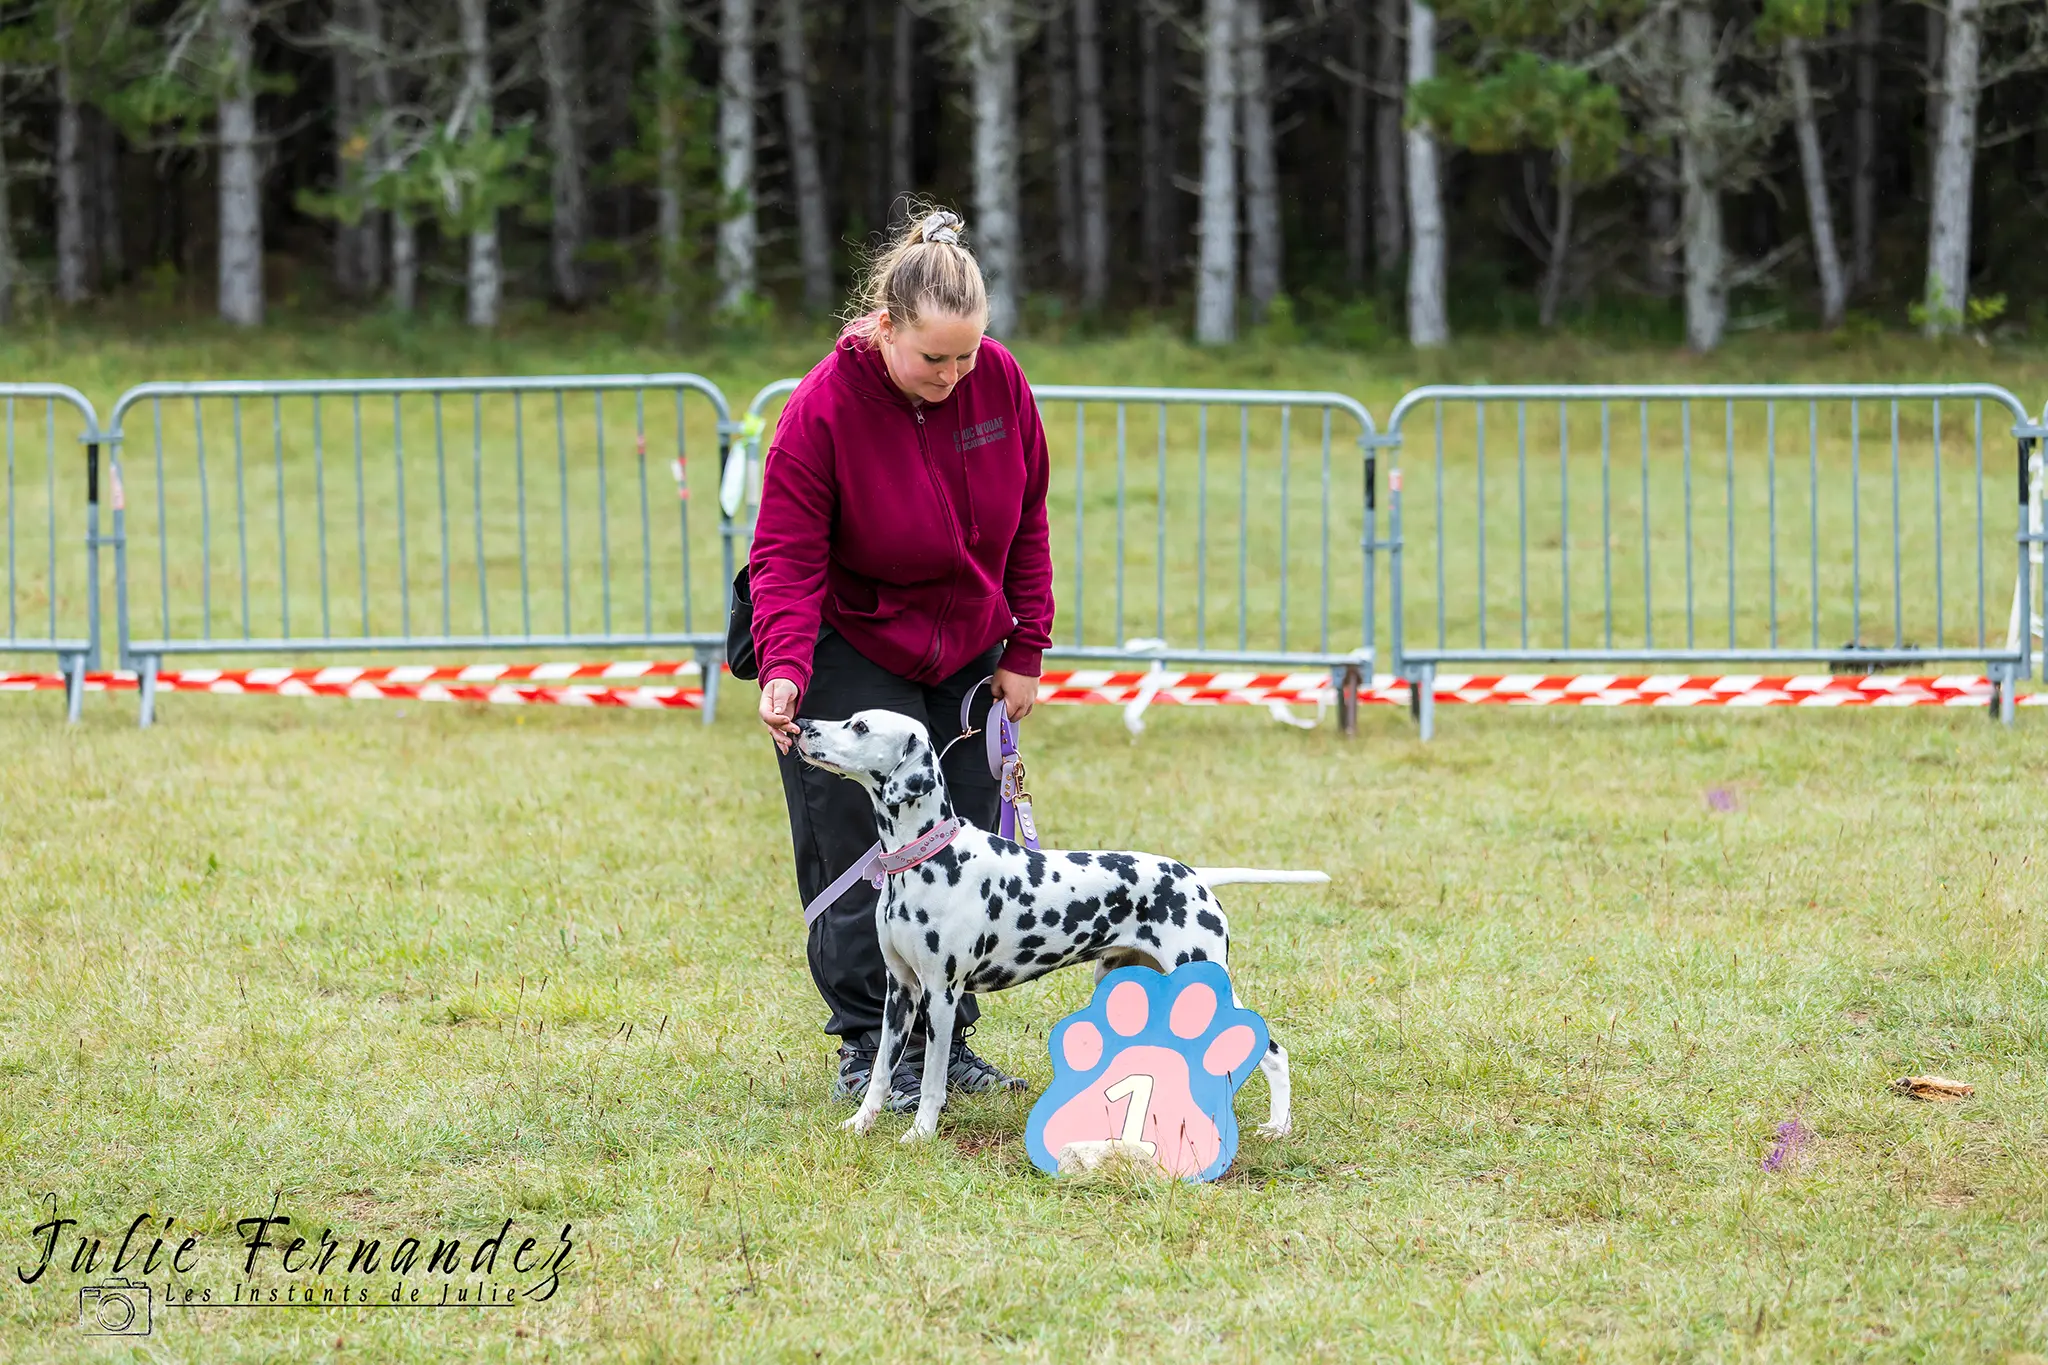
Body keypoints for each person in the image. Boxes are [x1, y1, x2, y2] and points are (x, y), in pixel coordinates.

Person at [750, 207, 1055, 1110]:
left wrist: (1024, 644)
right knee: (862, 854)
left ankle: (949, 1043)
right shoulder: (821, 410)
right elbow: (787, 557)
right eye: (934, 358)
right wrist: (785, 668)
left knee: (958, 852)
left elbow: (1028, 518)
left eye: (968, 355)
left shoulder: (997, 384)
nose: (955, 375)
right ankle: (865, 1044)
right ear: (885, 327)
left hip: (964, 650)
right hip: (853, 647)